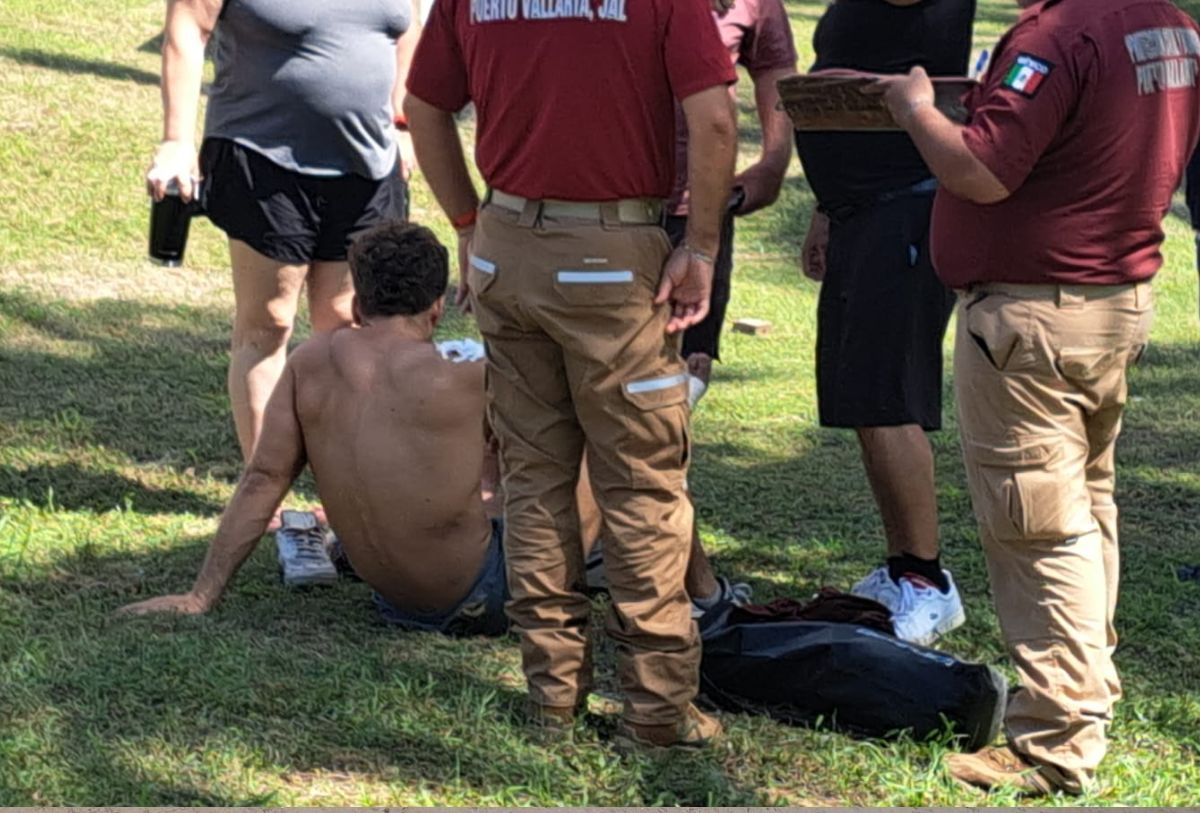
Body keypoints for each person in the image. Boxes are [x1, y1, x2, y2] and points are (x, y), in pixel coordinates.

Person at [874, 0, 1200, 795]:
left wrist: (915, 109)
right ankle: (1086, 688)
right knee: (1086, 507)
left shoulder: (1057, 33)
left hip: (1033, 317)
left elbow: (981, 170)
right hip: (1110, 301)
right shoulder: (1173, 25)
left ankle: (1054, 739)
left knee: (1038, 527)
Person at [118, 223, 742, 638]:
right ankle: (706, 595)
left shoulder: (310, 361)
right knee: (628, 445)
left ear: (358, 302)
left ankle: (625, 561)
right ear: (438, 306)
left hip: (394, 598)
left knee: (498, 467)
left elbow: (262, 479)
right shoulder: (468, 375)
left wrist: (202, 595)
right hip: (482, 596)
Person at [403, 0, 738, 749]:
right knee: (643, 483)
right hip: (613, 254)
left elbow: (423, 108)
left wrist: (466, 224)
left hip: (506, 244)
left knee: (533, 477)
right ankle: (656, 708)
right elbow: (714, 118)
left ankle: (553, 698)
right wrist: (705, 247)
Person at [145, 0, 419, 533]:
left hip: (368, 164)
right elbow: (186, 29)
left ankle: (344, 491)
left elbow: (405, 32)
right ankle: (263, 488)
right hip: (262, 156)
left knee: (349, 330)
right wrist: (177, 141)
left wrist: (402, 119)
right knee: (267, 324)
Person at [793, 0, 976, 645]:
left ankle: (927, 582)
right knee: (866, 398)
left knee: (889, 397)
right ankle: (904, 566)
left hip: (906, 207)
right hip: (861, 209)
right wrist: (826, 204)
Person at [667, 0, 798, 403]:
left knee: (686, 374)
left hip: (700, 208)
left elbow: (774, 65)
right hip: (600, 206)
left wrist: (774, 161)